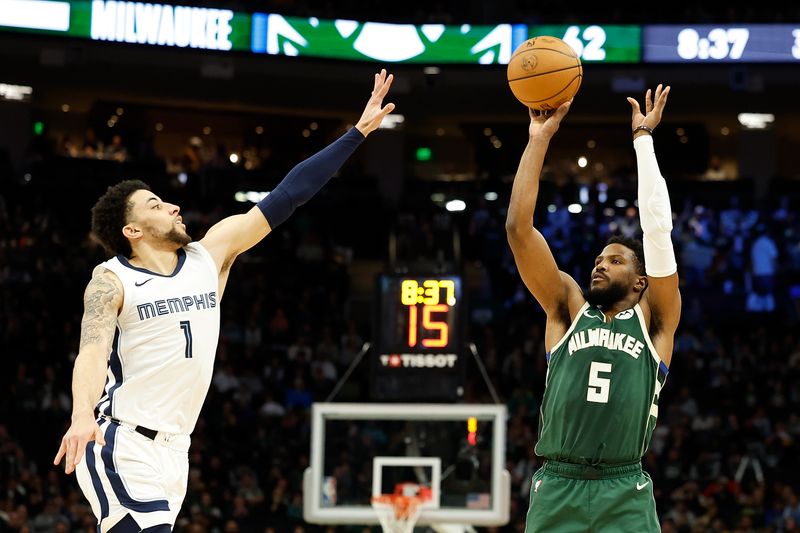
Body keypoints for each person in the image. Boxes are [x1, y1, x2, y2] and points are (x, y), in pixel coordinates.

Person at [52, 69, 396, 532]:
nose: (172, 206)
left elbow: (288, 196)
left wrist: (356, 135)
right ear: (130, 231)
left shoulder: (210, 254)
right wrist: (80, 416)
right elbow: (91, 353)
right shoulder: (111, 279)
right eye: (155, 205)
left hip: (176, 450)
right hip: (120, 440)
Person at [506, 85, 681, 532]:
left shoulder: (654, 321)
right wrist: (538, 139)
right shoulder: (566, 308)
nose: (601, 264)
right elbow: (518, 230)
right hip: (558, 484)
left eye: (616, 260)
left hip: (624, 488)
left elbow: (658, 232)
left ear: (642, 281)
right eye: (599, 259)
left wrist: (643, 140)